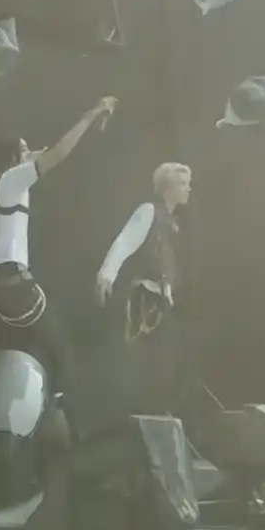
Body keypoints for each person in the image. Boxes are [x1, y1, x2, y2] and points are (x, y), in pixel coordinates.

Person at [0, 95, 118, 400]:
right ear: (12, 157)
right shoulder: (12, 180)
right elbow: (57, 154)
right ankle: (59, 417)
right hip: (14, 286)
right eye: (24, 149)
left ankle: (15, 417)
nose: (31, 152)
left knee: (14, 364)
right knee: (59, 352)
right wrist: (91, 115)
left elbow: (49, 152)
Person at [95, 162, 191, 414]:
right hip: (144, 298)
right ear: (168, 187)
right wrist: (107, 274)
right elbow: (125, 241)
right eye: (183, 184)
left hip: (161, 299)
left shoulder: (172, 222)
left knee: (164, 359)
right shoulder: (149, 211)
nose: (188, 189)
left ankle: (155, 410)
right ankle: (133, 412)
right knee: (143, 357)